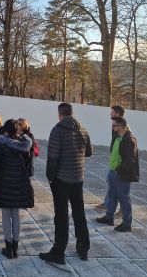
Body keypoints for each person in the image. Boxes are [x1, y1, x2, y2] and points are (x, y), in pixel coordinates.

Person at [40, 102, 92, 265]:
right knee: (79, 214)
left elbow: (53, 158)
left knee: (61, 217)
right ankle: (83, 249)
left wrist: (50, 177)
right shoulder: (83, 129)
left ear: (60, 114)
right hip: (78, 178)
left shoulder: (58, 130)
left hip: (62, 179)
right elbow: (89, 152)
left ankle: (58, 252)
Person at [0, 119, 34, 259]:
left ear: (6, 130)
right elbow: (28, 165)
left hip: (4, 184)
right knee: (16, 215)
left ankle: (8, 248)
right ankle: (15, 248)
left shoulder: (2, 145)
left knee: (6, 216)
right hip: (19, 183)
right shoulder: (24, 145)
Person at [96, 116, 139, 232]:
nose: (113, 127)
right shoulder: (117, 137)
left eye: (115, 125)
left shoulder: (129, 140)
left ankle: (127, 224)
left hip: (122, 174)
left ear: (122, 127)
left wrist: (119, 170)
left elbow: (130, 160)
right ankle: (109, 217)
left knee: (124, 198)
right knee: (112, 195)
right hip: (112, 171)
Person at [96, 105, 125, 215]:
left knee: (121, 187)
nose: (110, 114)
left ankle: (123, 210)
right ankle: (107, 204)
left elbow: (125, 147)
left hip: (119, 162)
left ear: (117, 114)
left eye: (112, 112)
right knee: (111, 182)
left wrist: (120, 163)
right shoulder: (115, 125)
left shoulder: (123, 128)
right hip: (114, 160)